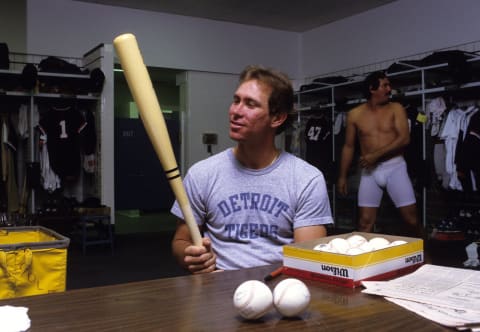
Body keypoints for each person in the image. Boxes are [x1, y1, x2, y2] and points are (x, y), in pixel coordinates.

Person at [171, 65, 334, 274]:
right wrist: (190, 256)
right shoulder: (202, 174)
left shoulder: (306, 179)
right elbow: (181, 240)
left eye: (250, 104)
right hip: (216, 284)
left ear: (277, 118)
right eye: (236, 100)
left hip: (280, 285)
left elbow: (307, 258)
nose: (235, 111)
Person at [337, 71, 424, 238]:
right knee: (364, 223)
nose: (389, 89)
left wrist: (375, 155)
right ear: (372, 88)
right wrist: (342, 176)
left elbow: (404, 139)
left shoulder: (396, 109)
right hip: (370, 173)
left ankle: (427, 259)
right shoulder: (355, 114)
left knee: (411, 220)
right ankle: (363, 263)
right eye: (385, 85)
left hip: (395, 168)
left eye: (389, 85)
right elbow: (348, 146)